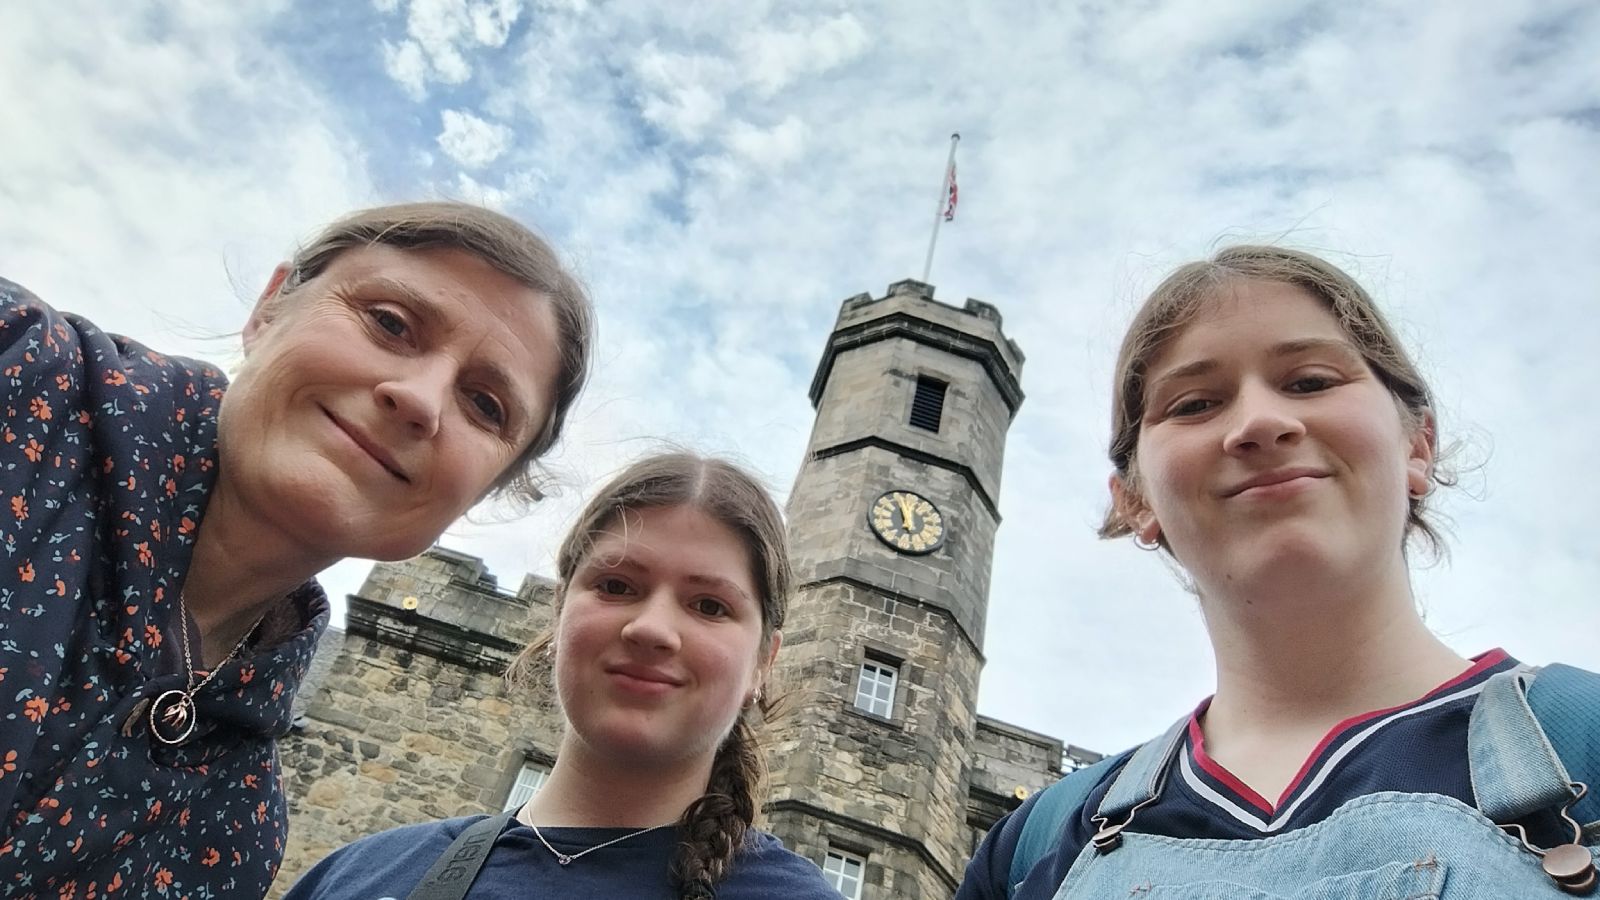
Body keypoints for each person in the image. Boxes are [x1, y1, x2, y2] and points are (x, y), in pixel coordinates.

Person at [957, 246, 1599, 899]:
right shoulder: (1033, 849)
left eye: (1310, 381)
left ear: (1417, 445)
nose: (1259, 422)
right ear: (1136, 501)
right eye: (1195, 403)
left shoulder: (1582, 737)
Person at [0, 201, 594, 898]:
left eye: (486, 404)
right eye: (390, 323)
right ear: (269, 309)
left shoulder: (239, 829)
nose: (420, 399)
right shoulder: (20, 368)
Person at [283, 452, 842, 900]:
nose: (652, 629)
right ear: (558, 616)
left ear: (762, 665)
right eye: (617, 587)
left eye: (709, 606)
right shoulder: (362, 876)